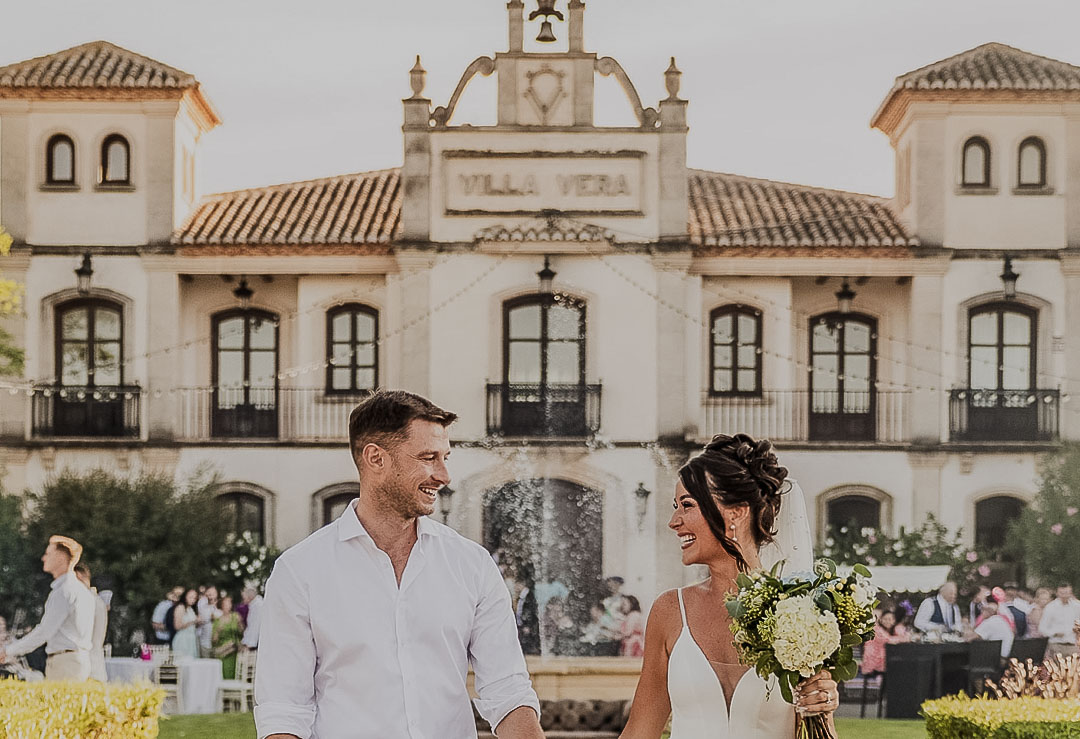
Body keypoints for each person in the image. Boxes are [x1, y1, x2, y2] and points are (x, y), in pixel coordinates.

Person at [255, 390, 543, 739]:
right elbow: (284, 711)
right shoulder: (299, 572)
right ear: (376, 458)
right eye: (428, 457)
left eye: (445, 457)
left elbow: (507, 690)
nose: (443, 474)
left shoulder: (472, 565)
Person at [621, 434, 837, 739]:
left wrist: (822, 707)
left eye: (687, 505)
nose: (674, 520)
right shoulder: (669, 611)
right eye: (676, 506)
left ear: (735, 512)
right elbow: (639, 732)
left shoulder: (800, 615)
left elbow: (819, 733)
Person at [0, 536, 95, 681]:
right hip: (74, 661)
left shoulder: (64, 591)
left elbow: (44, 631)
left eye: (48, 553)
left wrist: (8, 651)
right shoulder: (79, 590)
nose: (44, 558)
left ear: (61, 558)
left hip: (65, 664)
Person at [73, 562, 109, 682]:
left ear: (79, 576)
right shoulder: (98, 600)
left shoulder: (85, 601)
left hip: (85, 668)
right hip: (97, 665)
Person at [861, 607, 910, 676]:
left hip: (881, 663)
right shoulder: (876, 629)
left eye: (890, 619)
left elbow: (897, 636)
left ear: (894, 621)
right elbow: (888, 640)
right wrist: (905, 638)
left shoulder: (887, 630)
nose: (888, 621)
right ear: (880, 620)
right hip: (873, 665)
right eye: (885, 619)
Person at [1040, 584, 1080, 659]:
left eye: (1067, 593)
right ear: (1057, 593)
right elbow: (1042, 628)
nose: (1064, 596)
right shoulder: (1051, 607)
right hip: (1056, 645)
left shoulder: (1077, 606)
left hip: (1073, 645)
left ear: (1071, 593)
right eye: (1062, 593)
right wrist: (1054, 633)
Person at [973, 594, 1015, 659]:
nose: (983, 612)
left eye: (985, 609)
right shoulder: (1001, 620)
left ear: (992, 612)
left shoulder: (991, 621)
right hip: (1006, 658)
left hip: (995, 660)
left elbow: (972, 637)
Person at [212, 594, 244, 679]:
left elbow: (242, 633)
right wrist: (218, 631)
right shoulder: (218, 620)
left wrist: (240, 624)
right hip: (223, 651)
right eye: (226, 604)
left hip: (234, 650)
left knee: (235, 672)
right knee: (223, 673)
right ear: (222, 605)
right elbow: (214, 640)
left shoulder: (236, 616)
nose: (228, 606)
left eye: (229, 603)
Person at [171, 588, 200, 660]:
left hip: (191, 639)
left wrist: (197, 622)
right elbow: (177, 626)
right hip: (183, 639)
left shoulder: (190, 608)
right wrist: (193, 621)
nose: (192, 600)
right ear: (185, 596)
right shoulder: (181, 607)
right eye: (190, 597)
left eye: (194, 598)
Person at [197, 585, 222, 658]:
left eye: (213, 593)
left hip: (217, 643)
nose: (210, 596)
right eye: (209, 593)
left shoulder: (221, 606)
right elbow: (201, 620)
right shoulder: (203, 605)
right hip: (204, 642)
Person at [240, 586, 263, 651]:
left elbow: (255, 627)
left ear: (249, 596)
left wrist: (249, 645)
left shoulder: (258, 606)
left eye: (244, 597)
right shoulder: (253, 605)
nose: (243, 599)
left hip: (254, 646)